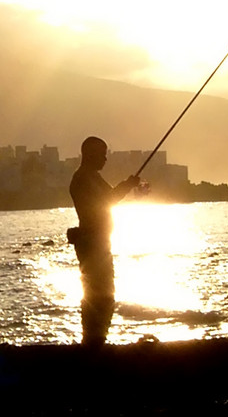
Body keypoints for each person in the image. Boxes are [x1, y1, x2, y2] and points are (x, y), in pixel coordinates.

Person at [67, 135, 140, 346]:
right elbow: (108, 200)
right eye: (102, 154)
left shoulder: (92, 177)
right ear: (90, 154)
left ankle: (96, 340)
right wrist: (128, 184)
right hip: (93, 246)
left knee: (102, 295)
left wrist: (129, 184)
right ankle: (93, 343)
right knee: (99, 295)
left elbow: (109, 197)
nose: (105, 159)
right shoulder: (83, 179)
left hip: (98, 244)